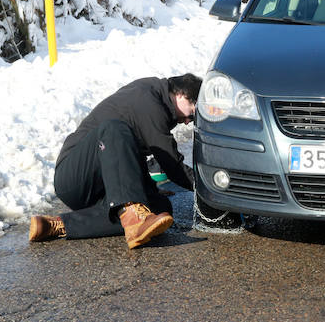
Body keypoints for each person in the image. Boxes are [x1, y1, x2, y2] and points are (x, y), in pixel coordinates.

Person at [28, 74, 202, 249]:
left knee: (162, 210)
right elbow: (171, 163)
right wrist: (208, 188)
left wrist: (144, 187)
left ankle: (56, 225)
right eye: (192, 114)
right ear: (182, 94)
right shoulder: (149, 101)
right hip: (73, 176)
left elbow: (126, 154)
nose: (188, 122)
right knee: (114, 128)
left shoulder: (156, 99)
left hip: (102, 184)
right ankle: (131, 213)